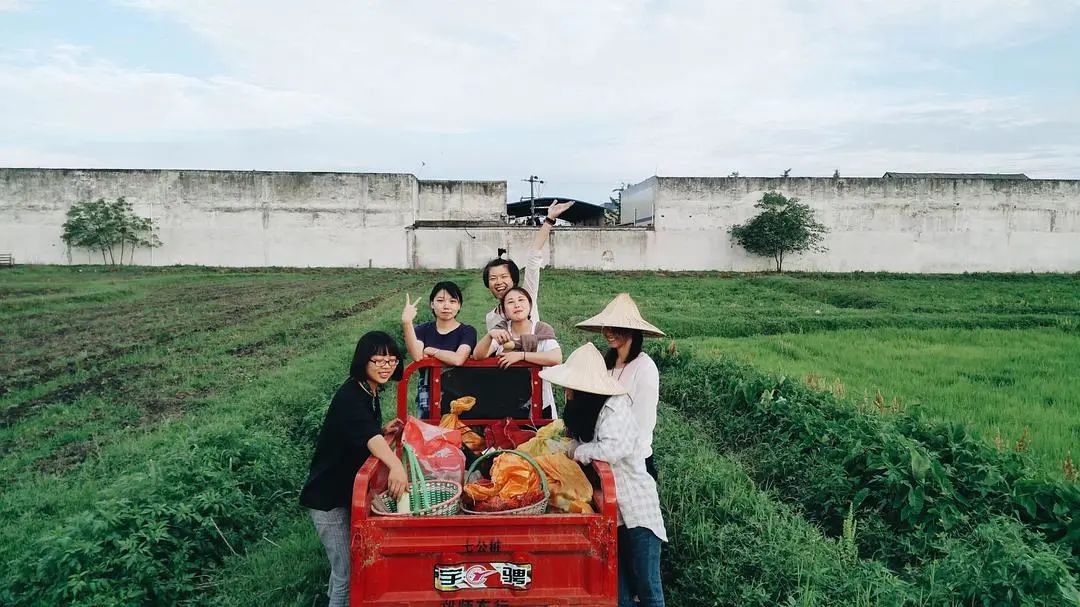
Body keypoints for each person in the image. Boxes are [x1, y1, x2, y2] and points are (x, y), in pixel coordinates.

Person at [539, 342, 667, 607]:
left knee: (648, 589)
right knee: (617, 591)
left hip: (636, 509)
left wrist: (578, 451)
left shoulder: (614, 408)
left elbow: (612, 450)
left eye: (570, 386)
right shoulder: (587, 411)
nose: (567, 392)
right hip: (611, 514)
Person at [299, 331, 408, 607]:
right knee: (347, 573)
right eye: (379, 360)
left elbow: (361, 433)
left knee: (345, 569)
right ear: (363, 361)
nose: (386, 366)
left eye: (392, 360)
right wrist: (395, 465)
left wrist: (381, 430)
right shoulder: (351, 396)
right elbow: (369, 439)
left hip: (342, 492)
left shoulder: (367, 391)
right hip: (329, 500)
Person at [576, 293, 665, 481]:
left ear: (632, 330)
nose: (608, 332)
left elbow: (643, 422)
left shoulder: (645, 368)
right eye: (606, 327)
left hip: (633, 460)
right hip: (604, 453)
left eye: (615, 327)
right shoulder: (606, 363)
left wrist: (614, 451)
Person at [482, 200, 575, 332]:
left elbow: (534, 255)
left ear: (513, 280)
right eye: (493, 278)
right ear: (487, 284)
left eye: (503, 276)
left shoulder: (527, 296)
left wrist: (549, 220)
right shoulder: (491, 318)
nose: (499, 282)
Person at [473, 286, 562, 418]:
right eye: (510, 302)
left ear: (530, 305)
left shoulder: (541, 329)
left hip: (540, 397)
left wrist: (521, 355)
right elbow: (478, 356)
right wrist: (490, 335)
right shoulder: (502, 330)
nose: (517, 305)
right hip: (503, 399)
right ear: (504, 310)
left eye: (521, 300)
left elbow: (556, 358)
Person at [401, 281, 477, 418]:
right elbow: (417, 356)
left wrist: (431, 351)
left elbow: (458, 359)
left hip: (460, 396)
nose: (446, 306)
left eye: (452, 301)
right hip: (428, 396)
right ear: (432, 304)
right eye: (440, 300)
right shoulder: (422, 330)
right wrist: (407, 323)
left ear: (459, 306)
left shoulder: (467, 331)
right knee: (429, 435)